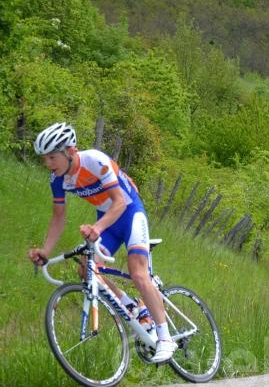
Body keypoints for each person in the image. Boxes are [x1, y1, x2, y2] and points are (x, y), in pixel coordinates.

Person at [27, 122, 177, 363]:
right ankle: (132, 306)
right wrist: (45, 250)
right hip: (107, 219)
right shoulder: (57, 180)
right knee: (86, 269)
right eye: (45, 159)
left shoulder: (95, 161)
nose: (48, 164)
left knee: (138, 275)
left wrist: (97, 228)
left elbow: (119, 202)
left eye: (52, 157)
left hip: (129, 212)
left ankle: (166, 338)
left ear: (71, 152)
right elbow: (58, 217)